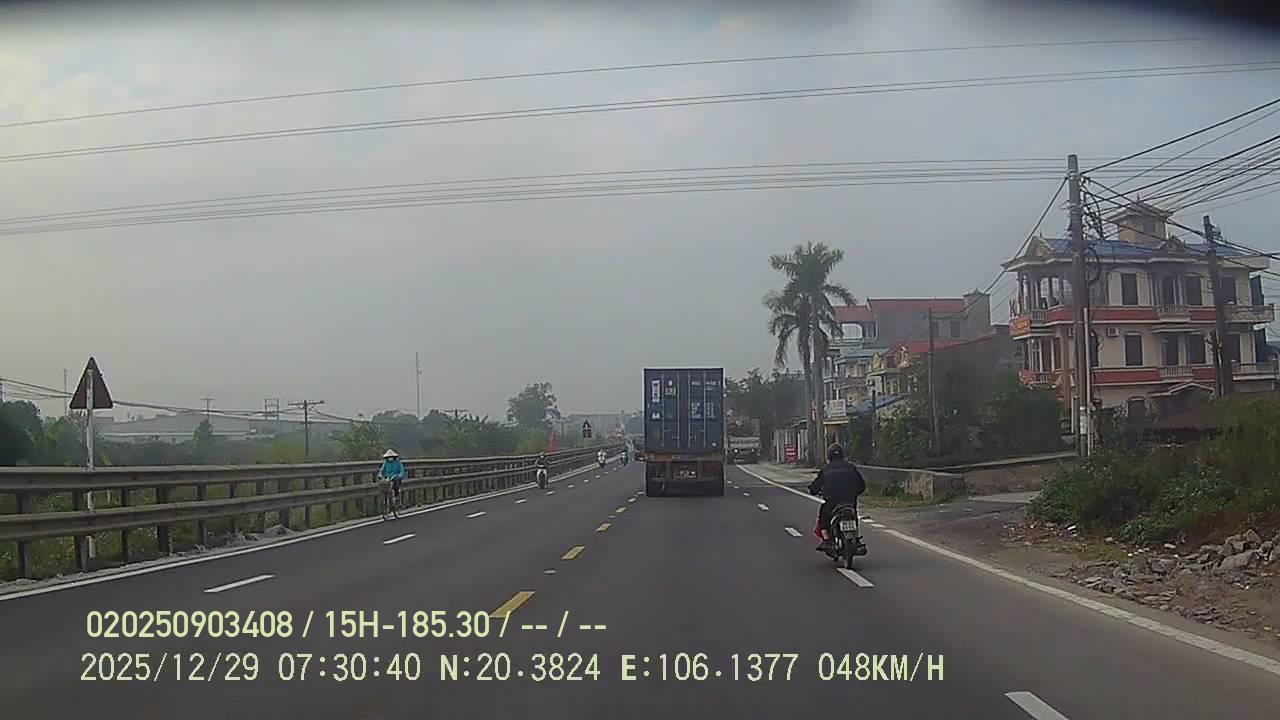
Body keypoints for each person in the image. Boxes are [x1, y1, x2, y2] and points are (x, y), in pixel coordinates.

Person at [808, 442, 866, 553]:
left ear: (829, 456)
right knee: (853, 514)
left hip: (832, 502)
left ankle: (826, 540)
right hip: (849, 501)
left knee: (823, 518)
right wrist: (854, 493)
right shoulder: (851, 467)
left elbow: (815, 486)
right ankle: (856, 538)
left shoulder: (826, 469)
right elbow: (862, 485)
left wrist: (813, 490)